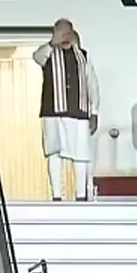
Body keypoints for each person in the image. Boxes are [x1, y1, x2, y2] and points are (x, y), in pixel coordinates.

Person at [33, 18, 100, 201]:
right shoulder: (47, 54)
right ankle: (56, 196)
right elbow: (37, 57)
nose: (65, 36)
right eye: (61, 32)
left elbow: (92, 85)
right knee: (54, 152)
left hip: (78, 112)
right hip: (52, 113)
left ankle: (80, 195)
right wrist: (52, 43)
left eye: (67, 32)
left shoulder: (83, 56)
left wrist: (94, 112)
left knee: (81, 154)